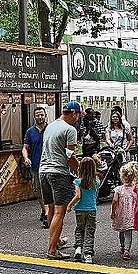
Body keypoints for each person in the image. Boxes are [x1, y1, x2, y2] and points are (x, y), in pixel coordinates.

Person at [39, 101, 81, 259]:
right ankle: (52, 249)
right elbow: (70, 156)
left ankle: (54, 242)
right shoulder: (70, 130)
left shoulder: (50, 126)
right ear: (74, 114)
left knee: (51, 209)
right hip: (58, 173)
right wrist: (79, 169)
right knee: (59, 212)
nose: (77, 119)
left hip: (43, 172)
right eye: (77, 116)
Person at [67, 156, 100, 263]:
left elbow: (78, 196)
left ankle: (78, 249)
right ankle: (88, 254)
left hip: (80, 210)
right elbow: (95, 196)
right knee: (89, 231)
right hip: (91, 209)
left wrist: (70, 205)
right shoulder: (96, 182)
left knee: (79, 229)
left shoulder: (77, 182)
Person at [22, 106, 49, 227]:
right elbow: (25, 148)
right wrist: (26, 158)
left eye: (42, 115)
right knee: (38, 190)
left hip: (49, 165)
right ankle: (45, 210)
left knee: (49, 189)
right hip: (36, 165)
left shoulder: (51, 129)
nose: (40, 117)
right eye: (37, 115)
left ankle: (49, 212)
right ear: (34, 117)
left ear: (45, 116)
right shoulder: (30, 131)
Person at [110, 161, 137, 260]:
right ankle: (127, 250)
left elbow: (115, 201)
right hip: (131, 214)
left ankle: (122, 246)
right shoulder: (135, 189)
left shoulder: (118, 189)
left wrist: (113, 211)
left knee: (121, 231)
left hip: (120, 213)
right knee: (128, 232)